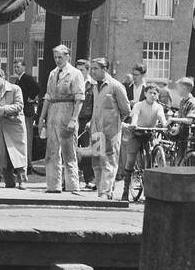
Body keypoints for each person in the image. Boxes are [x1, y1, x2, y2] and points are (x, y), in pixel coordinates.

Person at [38, 45, 85, 193]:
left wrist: (74, 119)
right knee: (52, 151)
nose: (58, 60)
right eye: (55, 57)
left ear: (67, 57)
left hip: (67, 110)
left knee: (69, 151)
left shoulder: (76, 74)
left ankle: (73, 186)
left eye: (60, 57)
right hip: (53, 112)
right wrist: (41, 117)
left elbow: (79, 99)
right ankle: (53, 186)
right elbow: (48, 96)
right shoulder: (53, 73)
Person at [87, 58, 130, 199]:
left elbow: (125, 109)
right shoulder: (94, 86)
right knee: (97, 162)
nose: (92, 71)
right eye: (91, 68)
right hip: (96, 131)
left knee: (108, 161)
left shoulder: (115, 86)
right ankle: (102, 191)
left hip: (110, 132)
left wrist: (115, 123)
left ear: (105, 69)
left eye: (95, 68)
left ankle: (105, 192)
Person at [121, 82, 168, 200]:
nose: (152, 95)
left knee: (150, 158)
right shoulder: (139, 105)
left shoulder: (158, 107)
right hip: (137, 133)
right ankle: (125, 191)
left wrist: (165, 125)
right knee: (131, 159)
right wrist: (133, 125)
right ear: (145, 94)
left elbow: (161, 117)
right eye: (150, 93)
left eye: (155, 93)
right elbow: (135, 116)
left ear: (158, 95)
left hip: (149, 134)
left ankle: (150, 188)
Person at [11, 58, 41, 165]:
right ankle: (24, 162)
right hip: (22, 111)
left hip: (27, 112)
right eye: (15, 67)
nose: (16, 69)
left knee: (27, 137)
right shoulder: (18, 79)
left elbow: (37, 87)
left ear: (23, 67)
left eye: (18, 66)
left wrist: (31, 97)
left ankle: (28, 163)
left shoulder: (27, 78)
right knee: (22, 137)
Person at [76, 58, 96, 189]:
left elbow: (96, 105)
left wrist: (91, 121)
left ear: (88, 70)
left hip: (87, 120)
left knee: (88, 150)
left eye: (82, 70)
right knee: (71, 149)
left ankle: (90, 179)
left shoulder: (93, 85)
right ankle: (72, 178)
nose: (79, 72)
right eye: (77, 70)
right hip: (74, 119)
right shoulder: (74, 82)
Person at [169, 77, 195, 160]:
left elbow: (189, 120)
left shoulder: (192, 102)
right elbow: (181, 117)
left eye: (178, 88)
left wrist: (173, 119)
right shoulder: (182, 101)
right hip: (181, 134)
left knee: (183, 158)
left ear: (184, 89)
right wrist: (177, 127)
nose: (176, 90)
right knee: (178, 157)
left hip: (188, 135)